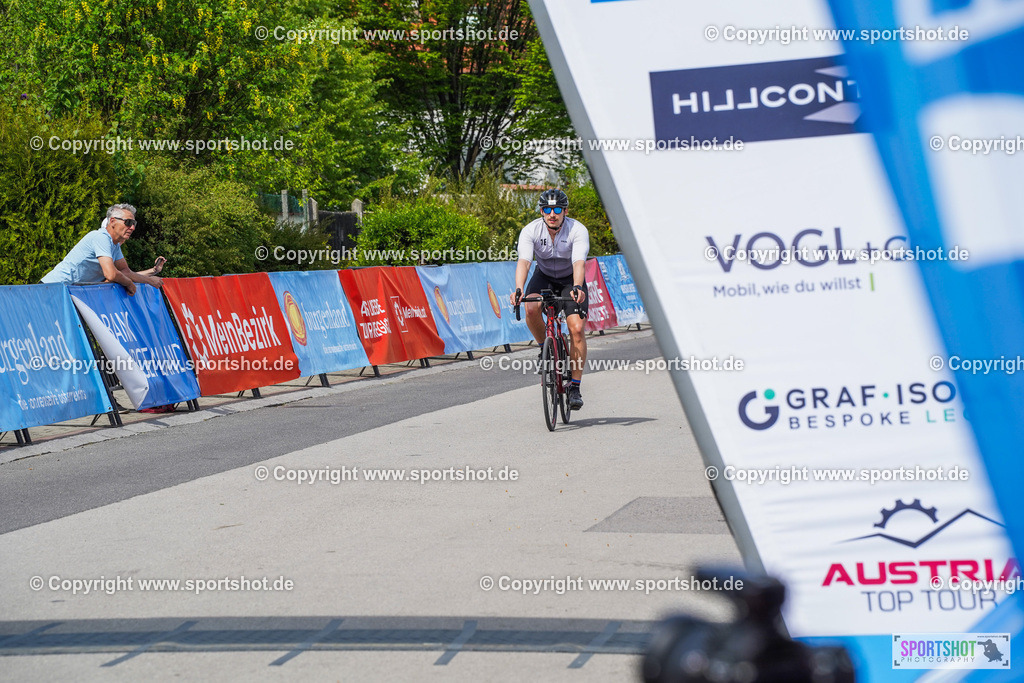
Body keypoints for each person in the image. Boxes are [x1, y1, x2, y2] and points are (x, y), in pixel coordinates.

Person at [511, 188, 590, 409]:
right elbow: (524, 261)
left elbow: (579, 262)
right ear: (541, 211)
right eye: (547, 209)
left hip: (570, 279)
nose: (552, 214)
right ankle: (543, 349)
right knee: (531, 308)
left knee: (576, 329)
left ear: (565, 211)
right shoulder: (531, 230)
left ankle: (575, 387)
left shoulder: (577, 230)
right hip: (544, 276)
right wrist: (519, 289)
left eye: (557, 210)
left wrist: (577, 286)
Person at [41, 204, 165, 293]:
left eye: (134, 224)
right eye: (128, 223)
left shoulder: (114, 245)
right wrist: (130, 283)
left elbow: (125, 272)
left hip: (66, 291)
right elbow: (111, 274)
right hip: (51, 289)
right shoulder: (101, 237)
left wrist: (151, 276)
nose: (132, 227)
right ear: (112, 221)